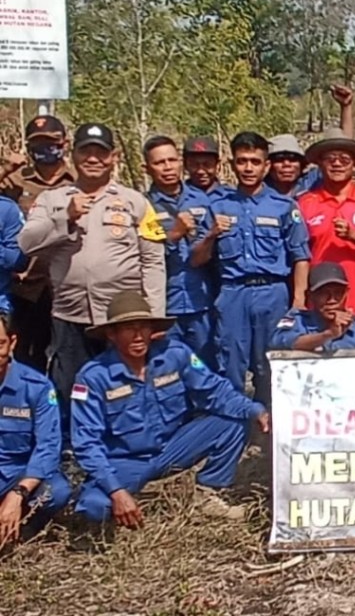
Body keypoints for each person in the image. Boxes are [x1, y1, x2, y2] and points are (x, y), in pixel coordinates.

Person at [71, 291, 269, 528]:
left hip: (173, 448)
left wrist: (257, 410)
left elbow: (215, 392)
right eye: (128, 329)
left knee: (235, 420)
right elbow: (86, 443)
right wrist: (116, 491)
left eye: (143, 327)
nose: (137, 336)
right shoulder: (93, 377)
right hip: (124, 460)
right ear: (111, 335)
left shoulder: (174, 354)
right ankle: (126, 502)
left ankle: (207, 494)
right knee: (94, 507)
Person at [18, 123, 167, 430]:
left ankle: (124, 445)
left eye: (101, 152)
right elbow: (27, 242)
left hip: (121, 317)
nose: (94, 159)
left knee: (122, 384)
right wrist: (66, 217)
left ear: (113, 158)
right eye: (86, 151)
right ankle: (75, 449)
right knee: (71, 386)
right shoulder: (52, 200)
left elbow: (153, 262)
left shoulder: (135, 201)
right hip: (70, 315)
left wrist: (154, 315)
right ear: (73, 155)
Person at [192, 132, 310, 408]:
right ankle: (234, 427)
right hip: (233, 293)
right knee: (230, 362)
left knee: (270, 363)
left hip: (273, 293)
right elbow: (196, 259)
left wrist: (299, 299)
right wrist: (211, 234)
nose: (248, 168)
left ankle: (271, 428)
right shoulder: (218, 206)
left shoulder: (284, 207)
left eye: (255, 162)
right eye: (242, 161)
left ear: (265, 166)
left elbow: (300, 255)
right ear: (232, 164)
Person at [1, 115, 77, 372]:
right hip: (26, 286)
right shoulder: (16, 180)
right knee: (24, 356)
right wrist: (5, 169)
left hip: (68, 283)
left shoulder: (78, 179)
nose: (44, 148)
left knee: (66, 357)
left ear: (64, 143)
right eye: (37, 143)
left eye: (51, 142)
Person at [297, 128, 355, 327]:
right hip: (320, 307)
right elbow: (299, 256)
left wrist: (353, 235)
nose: (337, 164)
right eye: (330, 159)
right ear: (320, 164)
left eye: (344, 159)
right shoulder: (305, 203)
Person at [0, 313, 71, 546]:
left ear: (12, 342)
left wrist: (19, 493)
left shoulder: (37, 388)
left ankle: (25, 530)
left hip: (24, 474)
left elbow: (48, 446)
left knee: (55, 491)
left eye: (0, 344)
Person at [143, 136, 216, 363]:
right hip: (165, 306)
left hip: (202, 301)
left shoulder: (204, 200)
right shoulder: (141, 206)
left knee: (207, 367)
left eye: (172, 160)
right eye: (159, 162)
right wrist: (174, 234)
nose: (167, 167)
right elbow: (142, 257)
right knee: (167, 369)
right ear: (146, 168)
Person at [271, 262, 355, 351]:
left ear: (346, 293)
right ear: (310, 296)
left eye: (338, 293)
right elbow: (279, 342)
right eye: (323, 293)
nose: (332, 300)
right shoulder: (296, 320)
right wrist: (328, 335)